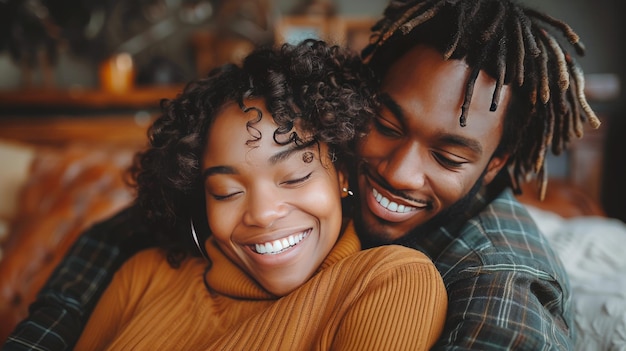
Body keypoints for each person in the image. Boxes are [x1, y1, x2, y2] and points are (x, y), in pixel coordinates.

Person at [4, 0, 601, 349]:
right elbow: (97, 265)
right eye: (387, 125)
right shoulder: (166, 256)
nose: (398, 171)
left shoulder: (487, 272)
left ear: (493, 164)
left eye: (449, 157)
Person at [72, 39, 447, 350]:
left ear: (341, 175)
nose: (263, 213)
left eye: (295, 177)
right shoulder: (144, 277)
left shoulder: (391, 282)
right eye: (226, 191)